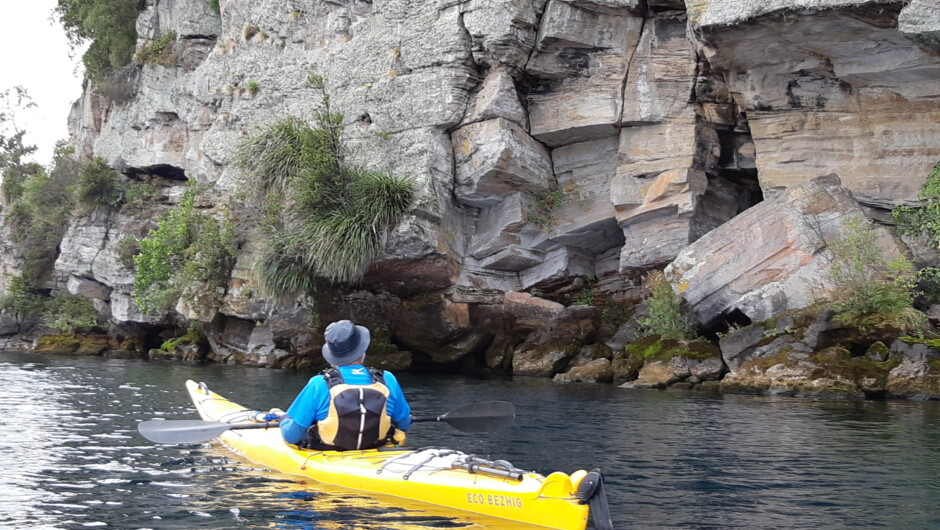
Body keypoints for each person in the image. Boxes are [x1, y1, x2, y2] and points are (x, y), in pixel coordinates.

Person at [278, 320, 412, 451]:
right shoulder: (386, 379)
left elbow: (291, 436)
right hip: (375, 450)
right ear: (362, 351)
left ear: (332, 355)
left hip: (329, 454)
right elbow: (404, 423)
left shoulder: (319, 383)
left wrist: (284, 421)